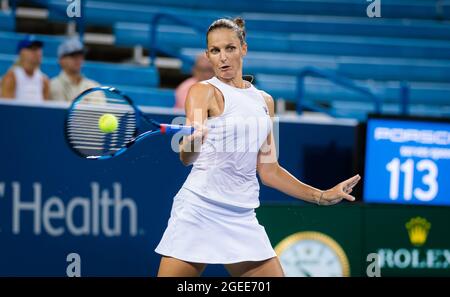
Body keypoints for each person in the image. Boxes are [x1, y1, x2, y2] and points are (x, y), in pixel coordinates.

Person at [155, 17, 361, 277]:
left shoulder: (265, 101)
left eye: (230, 48)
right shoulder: (202, 91)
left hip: (241, 215)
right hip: (199, 208)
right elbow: (186, 157)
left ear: (244, 49)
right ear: (208, 55)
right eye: (215, 51)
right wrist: (194, 139)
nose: (223, 58)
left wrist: (321, 196)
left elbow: (269, 170)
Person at [1, 35, 50, 101]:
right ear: (21, 52)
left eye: (39, 49)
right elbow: (7, 108)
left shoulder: (45, 80)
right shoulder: (11, 77)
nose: (37, 52)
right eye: (32, 48)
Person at [50, 37, 99, 102]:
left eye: (80, 55)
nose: (78, 59)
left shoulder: (93, 86)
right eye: (72, 55)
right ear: (61, 60)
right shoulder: (52, 86)